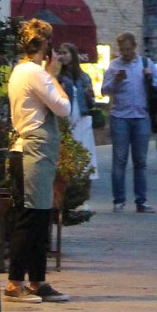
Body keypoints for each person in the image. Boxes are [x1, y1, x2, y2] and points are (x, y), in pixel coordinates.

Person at [6, 20, 71, 301]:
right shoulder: (36, 73)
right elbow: (63, 107)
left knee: (36, 216)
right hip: (35, 148)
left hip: (24, 147)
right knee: (32, 216)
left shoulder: (18, 71)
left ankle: (36, 280)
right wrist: (53, 75)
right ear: (45, 45)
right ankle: (16, 283)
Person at [101, 32, 154, 212]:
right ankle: (119, 200)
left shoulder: (145, 63)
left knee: (140, 161)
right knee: (119, 160)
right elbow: (104, 90)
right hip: (120, 117)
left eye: (129, 49)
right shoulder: (114, 66)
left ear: (134, 47)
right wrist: (115, 81)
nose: (126, 53)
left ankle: (141, 201)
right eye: (123, 50)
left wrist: (149, 77)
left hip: (140, 116)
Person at [58, 43, 98, 201]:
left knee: (87, 156)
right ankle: (67, 196)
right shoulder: (59, 78)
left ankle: (85, 196)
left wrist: (89, 95)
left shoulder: (84, 77)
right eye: (60, 53)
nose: (62, 56)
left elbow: (91, 102)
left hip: (83, 119)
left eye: (65, 53)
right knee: (68, 157)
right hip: (67, 120)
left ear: (73, 55)